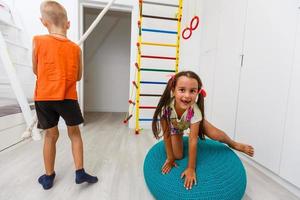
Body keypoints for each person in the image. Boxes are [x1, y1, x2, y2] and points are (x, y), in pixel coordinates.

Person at [32, 1, 98, 190]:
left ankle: (48, 176)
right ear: (68, 24)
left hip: (44, 97)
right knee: (74, 133)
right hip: (68, 98)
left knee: (50, 136)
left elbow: (36, 70)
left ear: (43, 22)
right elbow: (78, 76)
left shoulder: (38, 40)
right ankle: (80, 172)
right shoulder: (75, 49)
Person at [152, 71, 254, 190]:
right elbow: (167, 135)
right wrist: (170, 158)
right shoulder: (166, 109)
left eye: (192, 91)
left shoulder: (195, 111)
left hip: (193, 120)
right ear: (173, 89)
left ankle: (234, 143)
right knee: (178, 156)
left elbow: (193, 140)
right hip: (176, 127)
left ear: (198, 92)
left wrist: (191, 168)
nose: (187, 96)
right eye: (182, 90)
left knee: (216, 135)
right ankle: (175, 151)